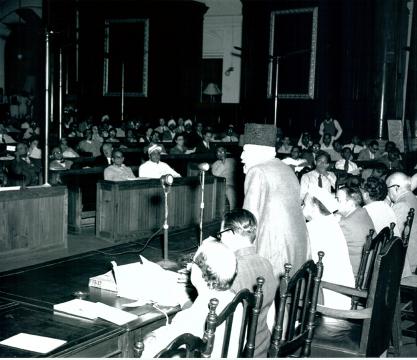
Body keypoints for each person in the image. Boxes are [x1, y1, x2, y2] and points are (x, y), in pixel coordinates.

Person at [141, 240, 242, 358]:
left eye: (193, 262)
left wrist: (152, 336)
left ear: (201, 272)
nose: (189, 266)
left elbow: (168, 343)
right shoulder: (233, 300)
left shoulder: (199, 313)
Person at [241, 123, 310, 279]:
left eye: (245, 151)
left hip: (274, 253)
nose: (241, 157)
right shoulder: (286, 168)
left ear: (257, 152)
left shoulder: (257, 171)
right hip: (298, 250)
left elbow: (248, 223)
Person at [219, 208, 278, 357]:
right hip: (262, 346)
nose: (220, 239)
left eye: (220, 234)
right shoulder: (267, 264)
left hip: (239, 352)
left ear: (230, 233)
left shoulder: (230, 270)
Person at [303, 187, 354, 309]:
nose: (301, 208)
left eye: (304, 204)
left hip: (328, 296)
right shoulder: (330, 222)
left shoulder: (314, 228)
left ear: (314, 208)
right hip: (342, 292)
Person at [336, 186, 375, 277]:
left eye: (338, 200)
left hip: (354, 276)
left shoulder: (345, 224)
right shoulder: (362, 212)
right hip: (368, 271)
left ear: (350, 203)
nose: (335, 203)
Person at [386, 172, 417, 274]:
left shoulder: (401, 205)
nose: (388, 194)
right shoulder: (413, 198)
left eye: (388, 189)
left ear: (396, 188)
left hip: (407, 263)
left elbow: (391, 238)